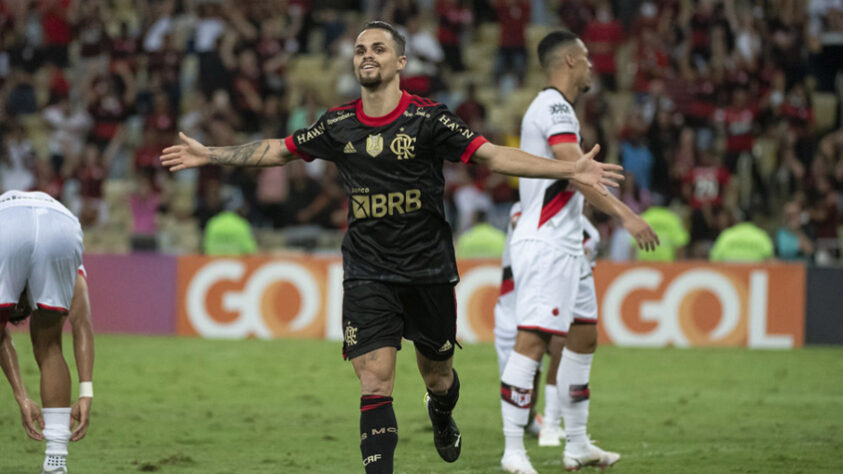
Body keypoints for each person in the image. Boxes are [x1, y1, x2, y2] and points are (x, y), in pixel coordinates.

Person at [160, 21, 623, 473]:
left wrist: (568, 170)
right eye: (361, 49)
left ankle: (441, 414)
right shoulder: (338, 124)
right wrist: (211, 154)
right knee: (375, 379)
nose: (367, 56)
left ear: (400, 61)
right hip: (367, 271)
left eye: (379, 49)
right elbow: (280, 149)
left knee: (439, 378)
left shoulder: (429, 118)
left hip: (428, 271)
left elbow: (494, 156)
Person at [498, 30, 659, 474]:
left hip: (569, 242)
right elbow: (574, 173)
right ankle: (513, 450)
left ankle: (578, 444)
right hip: (547, 241)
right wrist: (627, 216)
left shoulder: (558, 108)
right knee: (532, 341)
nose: (591, 66)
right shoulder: (553, 107)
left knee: (583, 337)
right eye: (586, 59)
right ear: (569, 60)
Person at [0, 190, 95, 474]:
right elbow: (82, 322)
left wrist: (22, 397)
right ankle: (56, 462)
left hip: (6, 223)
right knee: (50, 344)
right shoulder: (73, 267)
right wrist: (85, 391)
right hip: (62, 223)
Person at [495, 207, 601, 450]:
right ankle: (530, 422)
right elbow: (517, 223)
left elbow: (580, 275)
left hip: (546, 303)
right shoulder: (528, 207)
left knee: (560, 350)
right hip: (510, 307)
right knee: (521, 386)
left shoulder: (591, 234)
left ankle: (551, 424)